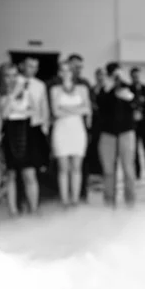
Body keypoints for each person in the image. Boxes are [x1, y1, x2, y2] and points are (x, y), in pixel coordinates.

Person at [0, 63, 41, 215]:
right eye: (7, 75)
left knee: (29, 173)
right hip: (10, 133)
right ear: (3, 78)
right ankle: (13, 210)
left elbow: (34, 110)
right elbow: (3, 114)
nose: (11, 79)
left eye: (14, 75)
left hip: (26, 132)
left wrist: (20, 109)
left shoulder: (27, 92)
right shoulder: (2, 94)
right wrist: (13, 97)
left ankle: (34, 209)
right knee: (11, 174)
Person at [50, 62, 91, 208]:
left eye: (68, 70)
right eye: (62, 70)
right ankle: (64, 199)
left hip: (77, 129)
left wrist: (66, 109)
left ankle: (75, 199)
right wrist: (76, 109)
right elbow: (55, 112)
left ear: (73, 72)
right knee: (63, 167)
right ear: (59, 73)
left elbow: (86, 109)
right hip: (61, 129)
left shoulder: (82, 88)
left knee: (76, 166)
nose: (66, 73)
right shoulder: (55, 90)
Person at [96, 62, 136, 208]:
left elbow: (136, 102)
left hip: (126, 132)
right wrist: (109, 86)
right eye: (112, 74)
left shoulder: (128, 87)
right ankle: (109, 201)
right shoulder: (104, 89)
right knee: (108, 170)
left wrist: (125, 83)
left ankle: (130, 201)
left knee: (128, 169)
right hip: (107, 133)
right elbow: (100, 104)